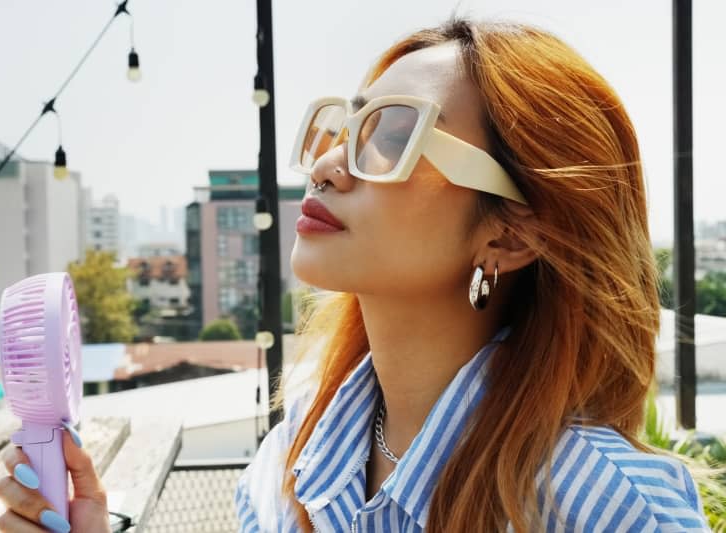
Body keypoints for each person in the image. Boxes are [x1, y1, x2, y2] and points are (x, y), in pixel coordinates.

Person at [234, 17, 711, 533]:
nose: (326, 165)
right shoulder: (290, 454)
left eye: (395, 138)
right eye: (343, 131)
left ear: (512, 237)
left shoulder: (601, 503)